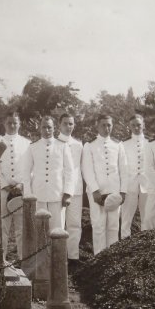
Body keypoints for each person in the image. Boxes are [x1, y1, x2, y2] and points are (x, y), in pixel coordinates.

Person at [81, 114, 127, 254]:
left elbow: (123, 169)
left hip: (114, 192)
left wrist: (123, 191)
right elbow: (87, 169)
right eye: (103, 125)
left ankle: (112, 258)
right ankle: (99, 257)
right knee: (98, 226)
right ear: (97, 125)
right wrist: (95, 190)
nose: (107, 128)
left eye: (109, 125)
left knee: (113, 225)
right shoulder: (90, 145)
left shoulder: (118, 145)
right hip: (97, 193)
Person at [23, 116, 75, 233]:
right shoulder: (33, 147)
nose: (46, 130)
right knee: (39, 231)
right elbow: (26, 172)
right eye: (44, 127)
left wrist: (67, 193)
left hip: (57, 195)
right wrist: (28, 194)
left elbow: (70, 171)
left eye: (49, 127)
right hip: (38, 195)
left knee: (57, 230)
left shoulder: (62, 146)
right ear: (40, 128)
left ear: (54, 128)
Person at [0, 111, 30, 260]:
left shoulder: (27, 143)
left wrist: (21, 184)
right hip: (3, 190)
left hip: (21, 190)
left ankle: (23, 260)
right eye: (9, 123)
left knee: (21, 228)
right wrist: (4, 184)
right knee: (2, 227)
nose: (12, 126)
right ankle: (0, 260)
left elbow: (30, 167)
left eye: (15, 123)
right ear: (4, 124)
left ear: (20, 124)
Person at [57, 113, 84, 263]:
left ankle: (73, 257)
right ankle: (59, 258)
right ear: (59, 125)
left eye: (71, 124)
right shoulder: (54, 143)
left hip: (75, 190)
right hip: (58, 189)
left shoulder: (78, 145)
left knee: (74, 224)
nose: (68, 126)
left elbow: (80, 168)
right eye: (65, 123)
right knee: (58, 225)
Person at [120, 114, 148, 238]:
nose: (136, 128)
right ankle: (124, 244)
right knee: (126, 219)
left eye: (139, 125)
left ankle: (147, 244)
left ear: (143, 125)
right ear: (129, 126)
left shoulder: (150, 143)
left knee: (147, 218)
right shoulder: (123, 144)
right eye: (133, 125)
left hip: (147, 184)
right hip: (129, 184)